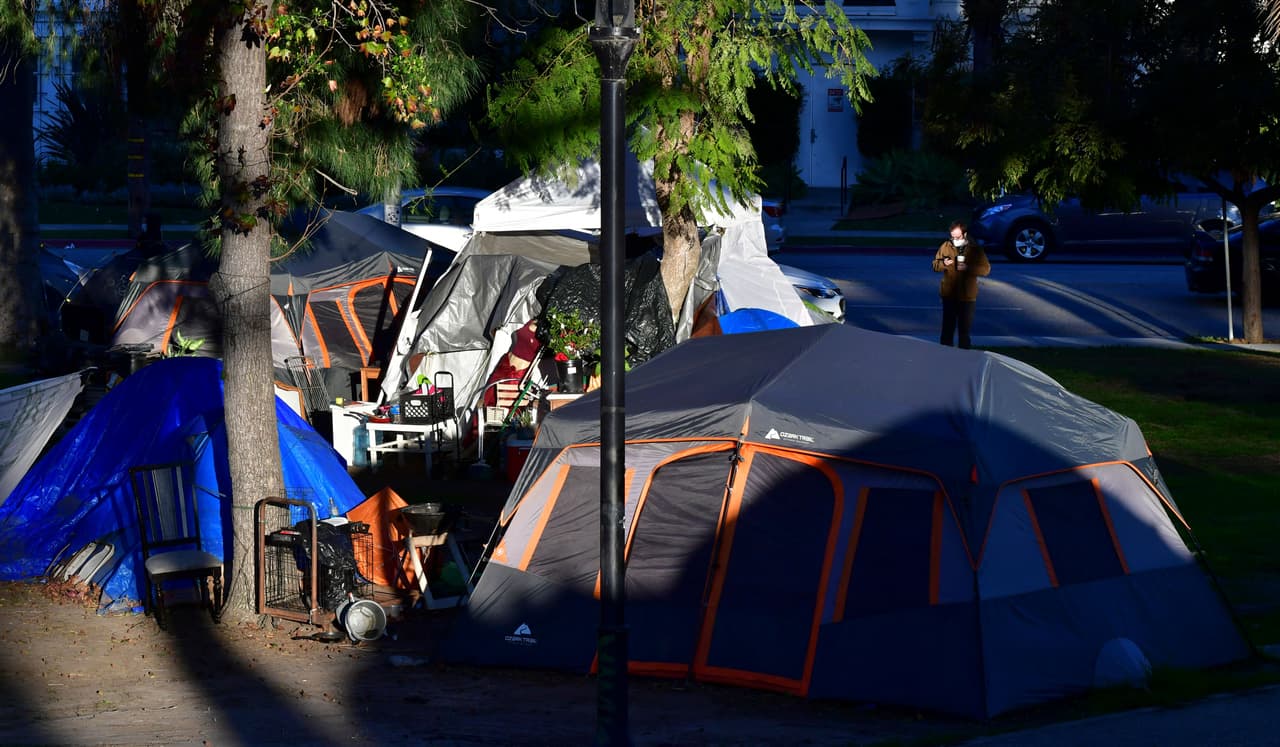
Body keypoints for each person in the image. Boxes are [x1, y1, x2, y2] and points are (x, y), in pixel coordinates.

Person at [932, 220, 991, 349]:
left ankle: (965, 359)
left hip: (967, 296)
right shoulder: (946, 246)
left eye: (957, 237)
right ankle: (945, 357)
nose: (954, 239)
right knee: (947, 330)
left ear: (964, 235)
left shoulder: (975, 250)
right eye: (952, 236)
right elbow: (935, 265)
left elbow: (985, 269)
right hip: (949, 294)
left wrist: (968, 268)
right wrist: (943, 264)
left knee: (964, 332)